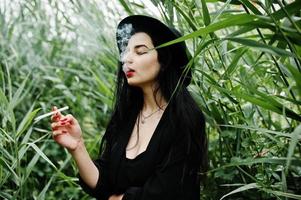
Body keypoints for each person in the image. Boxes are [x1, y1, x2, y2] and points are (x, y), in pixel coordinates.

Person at [51, 15, 207, 200]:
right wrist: (77, 147)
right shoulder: (126, 116)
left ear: (164, 61)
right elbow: (103, 184)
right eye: (126, 52)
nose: (126, 59)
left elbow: (166, 192)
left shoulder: (185, 118)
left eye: (140, 52)